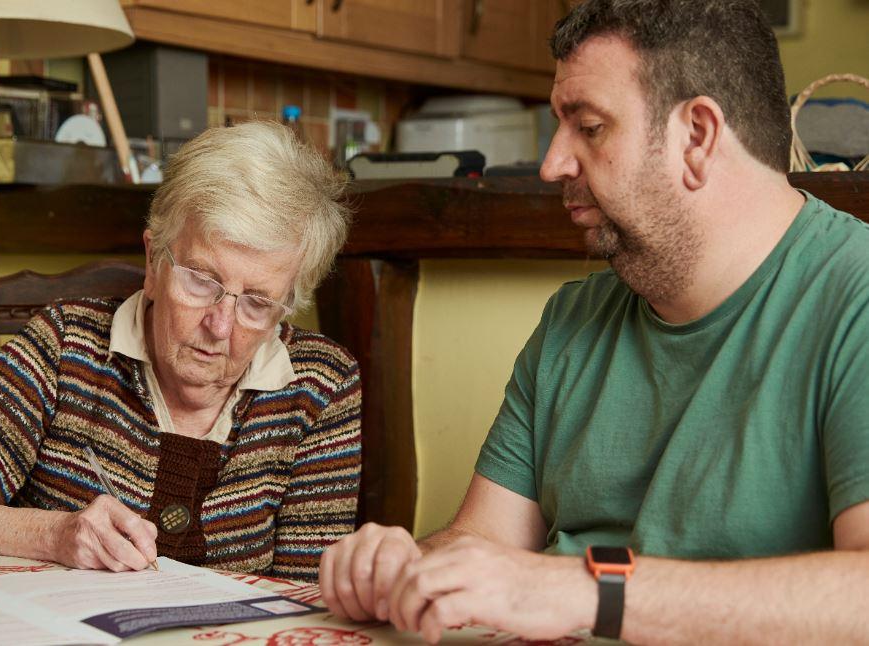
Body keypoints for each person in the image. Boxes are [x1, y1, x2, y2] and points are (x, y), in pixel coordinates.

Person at [320, 0, 869, 642]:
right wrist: (402, 570)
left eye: (590, 126)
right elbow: (484, 543)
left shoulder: (853, 297)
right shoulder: (572, 319)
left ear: (697, 136)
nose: (553, 164)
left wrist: (587, 589)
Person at [0, 121, 361, 582]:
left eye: (258, 303)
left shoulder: (322, 384)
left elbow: (307, 595)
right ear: (152, 260)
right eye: (201, 280)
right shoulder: (66, 346)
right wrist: (53, 534)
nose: (220, 326)